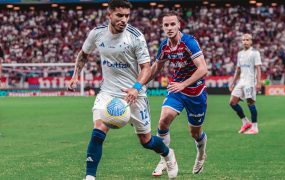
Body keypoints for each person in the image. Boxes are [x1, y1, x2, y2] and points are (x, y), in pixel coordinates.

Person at [67, 1, 177, 179]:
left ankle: (167, 154)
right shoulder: (97, 33)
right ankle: (89, 177)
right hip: (108, 92)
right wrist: (75, 75)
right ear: (109, 15)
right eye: (119, 15)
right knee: (99, 129)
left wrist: (136, 87)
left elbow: (146, 68)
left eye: (127, 15)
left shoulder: (135, 36)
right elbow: (83, 54)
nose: (124, 19)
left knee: (146, 141)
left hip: (134, 93)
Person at [147, 11, 208, 177]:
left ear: (179, 24)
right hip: (177, 90)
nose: (169, 28)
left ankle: (201, 154)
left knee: (195, 133)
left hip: (196, 92)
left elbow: (203, 69)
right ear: (162, 27)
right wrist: (140, 85)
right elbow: (155, 68)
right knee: (163, 121)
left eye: (172, 24)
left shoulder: (189, 42)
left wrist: (184, 84)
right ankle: (164, 159)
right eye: (166, 25)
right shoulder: (164, 46)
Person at [229, 33, 262, 135]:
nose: (245, 41)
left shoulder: (255, 53)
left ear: (251, 41)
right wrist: (233, 82)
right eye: (243, 40)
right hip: (241, 81)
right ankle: (246, 122)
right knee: (232, 102)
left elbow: (258, 68)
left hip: (250, 82)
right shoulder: (240, 54)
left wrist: (259, 82)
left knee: (250, 103)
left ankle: (255, 127)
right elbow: (238, 69)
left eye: (247, 40)